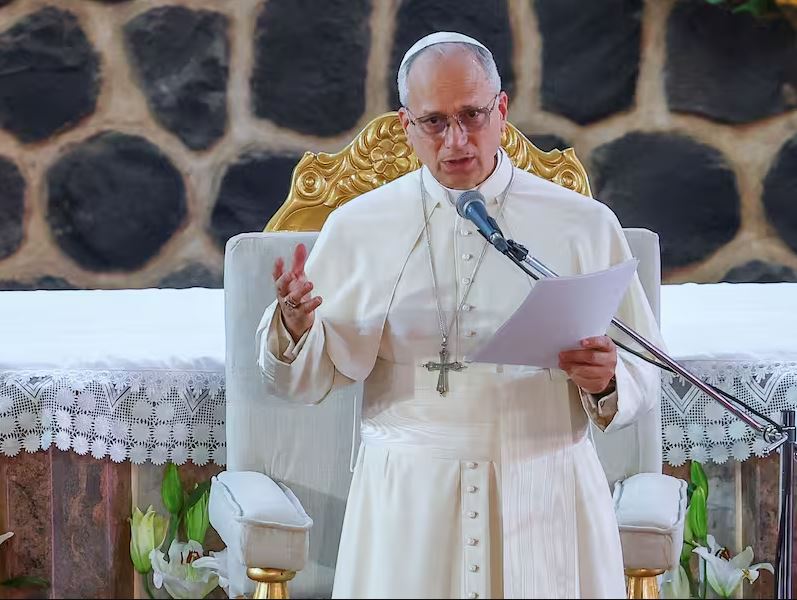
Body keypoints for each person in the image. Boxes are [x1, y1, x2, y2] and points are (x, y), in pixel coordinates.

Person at [256, 31, 662, 599]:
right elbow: (303, 380)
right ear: (406, 125)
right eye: (434, 122)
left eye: (472, 115)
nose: (456, 140)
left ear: (502, 110)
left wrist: (608, 379)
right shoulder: (359, 226)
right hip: (409, 499)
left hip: (545, 485)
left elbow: (646, 365)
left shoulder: (583, 224)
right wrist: (296, 327)